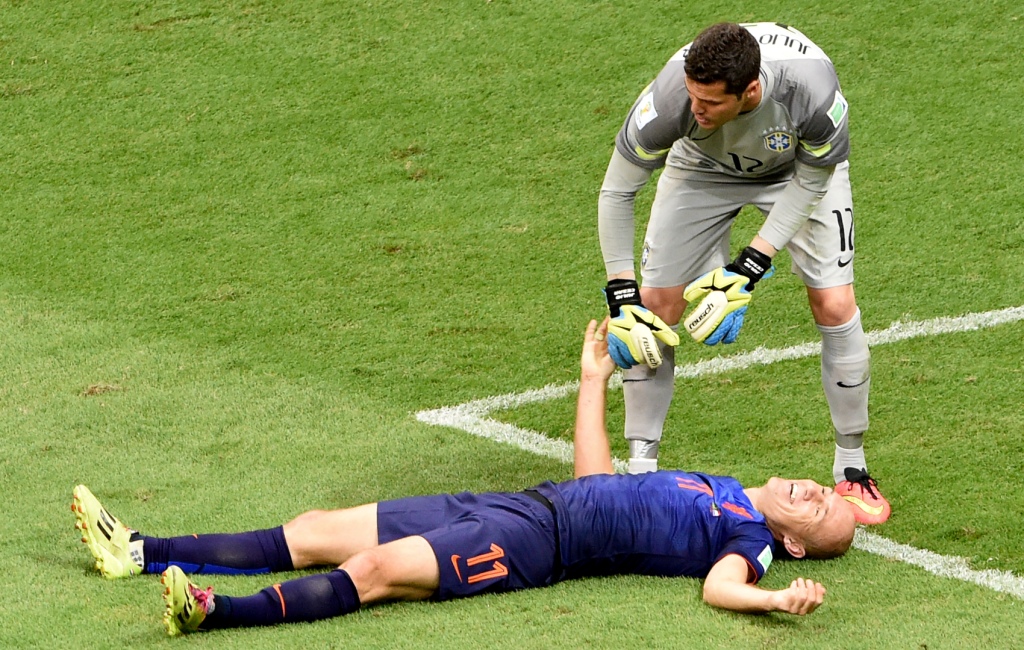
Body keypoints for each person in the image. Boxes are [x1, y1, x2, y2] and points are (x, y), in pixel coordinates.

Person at [72, 319, 855, 636]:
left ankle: (213, 615)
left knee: (373, 571)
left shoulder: (749, 539)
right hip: (523, 504)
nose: (815, 493)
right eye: (824, 490)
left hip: (532, 547)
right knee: (312, 530)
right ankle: (139, 551)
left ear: (792, 542)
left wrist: (773, 599)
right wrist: (592, 382)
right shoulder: (720, 486)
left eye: (819, 513)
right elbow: (597, 485)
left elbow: (721, 588)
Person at [597, 21, 890, 524]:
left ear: (750, 90)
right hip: (702, 168)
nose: (696, 108)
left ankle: (852, 467)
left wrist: (748, 267)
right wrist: (622, 294)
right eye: (692, 96)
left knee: (835, 303)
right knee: (652, 310)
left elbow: (812, 183)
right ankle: (641, 476)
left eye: (710, 102)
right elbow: (616, 191)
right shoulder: (671, 99)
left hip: (796, 171)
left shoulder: (813, 95)